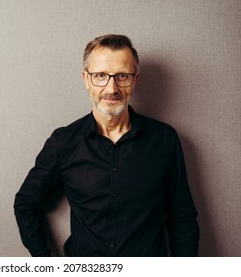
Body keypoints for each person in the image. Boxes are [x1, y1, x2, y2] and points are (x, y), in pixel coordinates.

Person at [14, 34, 199, 257]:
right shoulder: (63, 142)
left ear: (135, 79)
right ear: (85, 78)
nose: (111, 89)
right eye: (100, 75)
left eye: (122, 76)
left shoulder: (165, 139)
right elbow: (25, 204)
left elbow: (182, 217)